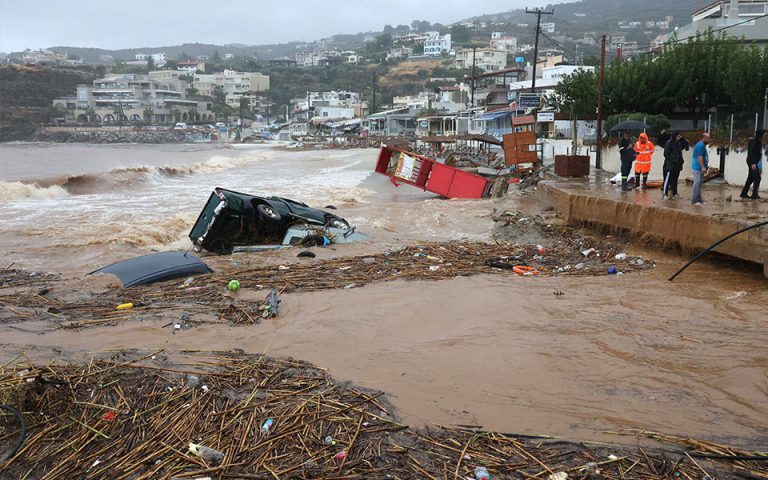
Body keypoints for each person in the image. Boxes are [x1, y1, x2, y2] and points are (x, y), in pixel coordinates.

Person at [740, 129, 765, 200]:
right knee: (757, 178)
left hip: (753, 162)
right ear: (760, 135)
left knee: (751, 178)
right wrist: (753, 163)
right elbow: (751, 152)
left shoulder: (758, 141)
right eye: (764, 135)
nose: (764, 136)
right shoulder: (754, 142)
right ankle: (754, 194)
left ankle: (744, 193)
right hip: (752, 162)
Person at [691, 133, 711, 205]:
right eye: (708, 138)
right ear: (704, 138)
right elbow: (699, 157)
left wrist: (705, 166)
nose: (709, 140)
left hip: (699, 167)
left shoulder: (702, 145)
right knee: (697, 184)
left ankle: (699, 200)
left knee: (699, 184)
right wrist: (702, 167)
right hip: (697, 167)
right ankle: (694, 201)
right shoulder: (700, 145)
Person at [662, 132, 684, 199]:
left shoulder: (678, 144)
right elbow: (666, 154)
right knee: (667, 179)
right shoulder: (669, 143)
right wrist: (673, 160)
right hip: (670, 165)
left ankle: (675, 193)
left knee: (675, 180)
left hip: (677, 165)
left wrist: (681, 161)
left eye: (680, 136)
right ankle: (665, 194)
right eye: (678, 136)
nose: (679, 137)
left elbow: (680, 153)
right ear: (675, 136)